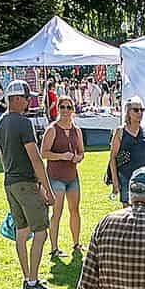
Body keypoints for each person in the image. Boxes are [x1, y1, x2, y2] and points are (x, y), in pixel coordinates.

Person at [0, 81, 56, 289]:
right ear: (17, 99)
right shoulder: (23, 123)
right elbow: (35, 158)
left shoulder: (0, 122)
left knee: (22, 232)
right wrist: (46, 188)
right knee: (40, 232)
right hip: (25, 183)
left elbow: (2, 156)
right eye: (27, 97)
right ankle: (32, 280)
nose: (30, 101)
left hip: (10, 182)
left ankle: (27, 278)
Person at [41, 96, 88, 260]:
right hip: (56, 177)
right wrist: (62, 156)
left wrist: (78, 157)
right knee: (57, 212)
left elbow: (81, 152)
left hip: (72, 176)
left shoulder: (77, 130)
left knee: (75, 210)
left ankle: (76, 243)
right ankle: (54, 248)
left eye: (69, 107)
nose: (66, 111)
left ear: (73, 110)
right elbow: (44, 153)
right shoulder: (52, 129)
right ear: (58, 109)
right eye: (63, 107)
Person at [109, 96, 145, 201]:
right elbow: (112, 158)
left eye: (142, 110)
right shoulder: (120, 132)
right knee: (128, 212)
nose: (139, 113)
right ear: (128, 112)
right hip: (126, 178)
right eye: (136, 110)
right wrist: (115, 181)